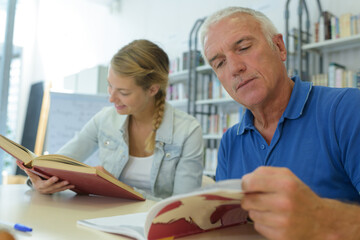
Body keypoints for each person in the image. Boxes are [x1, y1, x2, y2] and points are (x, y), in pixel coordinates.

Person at [200, 6, 360, 240]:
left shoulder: (346, 109)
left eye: (243, 48)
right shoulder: (230, 141)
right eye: (220, 63)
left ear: (279, 47)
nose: (235, 68)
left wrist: (323, 219)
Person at [18, 39, 204, 199]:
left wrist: (117, 188)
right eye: (110, 86)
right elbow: (58, 164)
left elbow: (183, 208)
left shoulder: (188, 131)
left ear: (153, 89)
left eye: (123, 92)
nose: (111, 98)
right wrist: (38, 181)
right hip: (104, 222)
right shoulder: (104, 120)